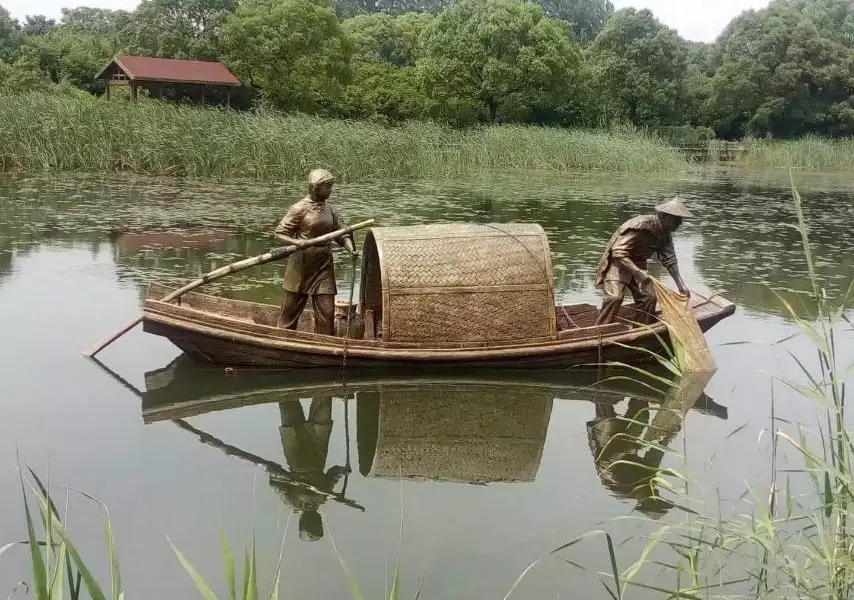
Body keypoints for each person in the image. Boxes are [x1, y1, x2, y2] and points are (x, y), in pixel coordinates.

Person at [275, 168, 358, 335]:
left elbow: (342, 233)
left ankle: (324, 344)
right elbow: (279, 233)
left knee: (327, 312)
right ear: (315, 188)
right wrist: (297, 242)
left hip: (323, 266)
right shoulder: (299, 208)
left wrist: (351, 249)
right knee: (290, 312)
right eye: (328, 187)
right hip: (301, 266)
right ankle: (282, 341)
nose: (331, 190)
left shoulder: (330, 210)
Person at [594, 196, 694, 326]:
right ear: (664, 217)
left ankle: (641, 328)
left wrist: (681, 285)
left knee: (649, 298)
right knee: (614, 298)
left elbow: (670, 260)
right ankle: (600, 331)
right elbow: (617, 252)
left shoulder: (665, 234)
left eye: (680, 219)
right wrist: (638, 272)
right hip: (617, 265)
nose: (680, 223)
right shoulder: (640, 226)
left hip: (639, 266)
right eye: (676, 219)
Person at [272, 396, 350, 542]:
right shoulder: (322, 497)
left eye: (314, 525)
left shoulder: (292, 501)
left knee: (287, 400)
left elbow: (274, 481)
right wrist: (343, 470)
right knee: (324, 399)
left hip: (296, 449)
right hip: (318, 448)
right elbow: (333, 474)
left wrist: (282, 477)